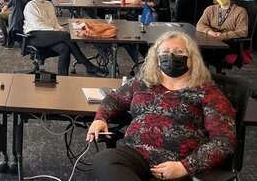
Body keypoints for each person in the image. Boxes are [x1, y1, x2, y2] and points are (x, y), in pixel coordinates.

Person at [87, 31, 236, 181]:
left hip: (178, 163)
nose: (171, 57)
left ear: (191, 59)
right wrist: (100, 118)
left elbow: (224, 141)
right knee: (105, 159)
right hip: (136, 154)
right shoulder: (144, 82)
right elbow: (116, 98)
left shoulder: (206, 91)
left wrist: (186, 167)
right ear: (157, 59)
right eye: (165, 52)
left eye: (179, 52)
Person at [23, 0, 107, 77]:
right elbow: (37, 25)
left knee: (65, 47)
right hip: (34, 35)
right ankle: (89, 66)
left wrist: (60, 29)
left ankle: (63, 77)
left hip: (49, 35)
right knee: (66, 36)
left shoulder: (49, 5)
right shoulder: (31, 6)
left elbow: (54, 22)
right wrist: (56, 32)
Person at [196, 0, 248, 71]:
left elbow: (243, 31)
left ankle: (204, 77)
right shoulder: (210, 9)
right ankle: (201, 76)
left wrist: (224, 35)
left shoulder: (240, 11)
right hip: (211, 39)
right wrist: (209, 32)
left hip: (228, 43)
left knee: (201, 53)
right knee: (195, 50)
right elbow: (200, 25)